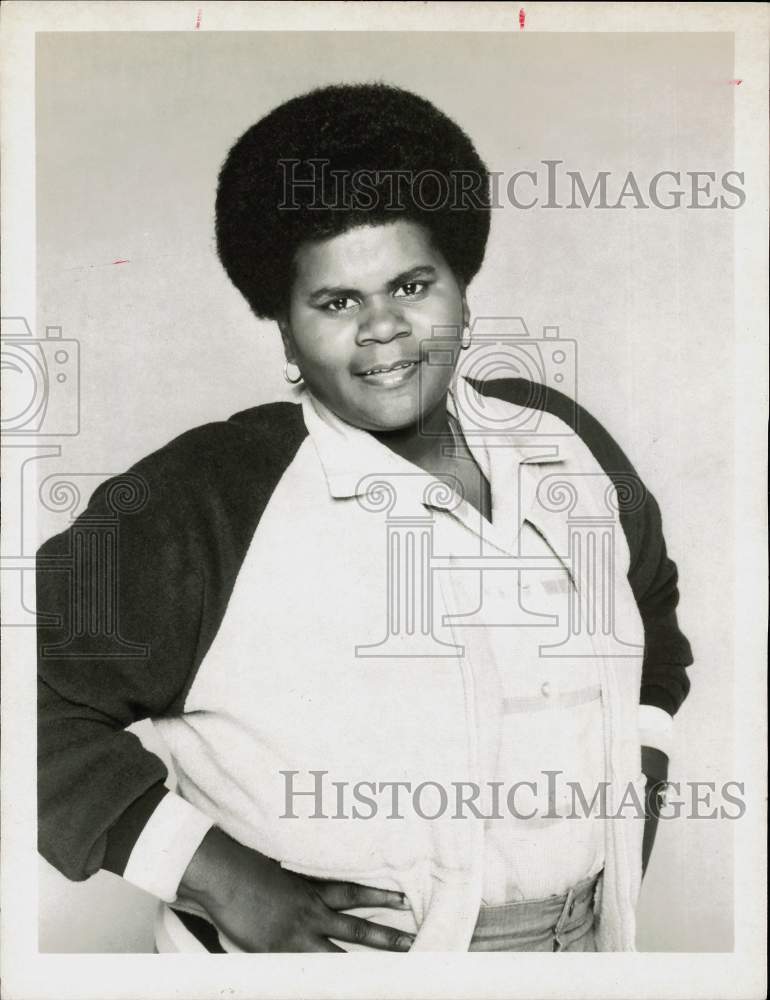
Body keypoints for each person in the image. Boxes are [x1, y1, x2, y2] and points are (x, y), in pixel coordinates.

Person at [37, 82, 693, 953]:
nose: (384, 330)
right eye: (336, 302)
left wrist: (628, 809)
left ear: (463, 284)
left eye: (412, 284)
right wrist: (220, 878)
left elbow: (650, 623)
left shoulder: (560, 443)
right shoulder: (209, 499)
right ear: (280, 325)